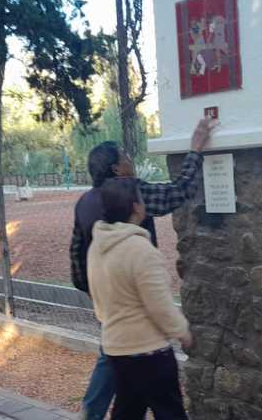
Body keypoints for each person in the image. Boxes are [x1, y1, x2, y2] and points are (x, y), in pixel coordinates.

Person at [70, 117, 216, 419]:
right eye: (126, 156)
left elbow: (76, 258)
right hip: (146, 341)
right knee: (164, 405)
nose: (130, 159)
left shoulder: (85, 204)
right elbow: (178, 192)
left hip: (111, 314)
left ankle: (90, 411)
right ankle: (91, 410)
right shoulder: (134, 195)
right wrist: (195, 150)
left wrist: (103, 296)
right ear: (117, 170)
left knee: (122, 385)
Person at [87, 178, 192, 419]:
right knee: (170, 412)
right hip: (148, 351)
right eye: (142, 199)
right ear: (136, 206)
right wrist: (182, 331)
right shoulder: (141, 250)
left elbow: (98, 295)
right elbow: (160, 304)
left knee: (128, 411)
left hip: (115, 348)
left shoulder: (98, 246)